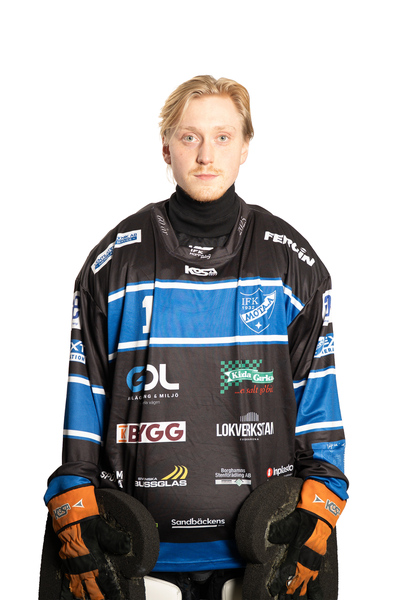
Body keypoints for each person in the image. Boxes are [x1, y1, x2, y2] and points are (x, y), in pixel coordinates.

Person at [44, 75, 348, 600]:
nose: (206, 155)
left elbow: (318, 407)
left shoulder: (291, 261)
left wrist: (322, 503)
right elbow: (84, 397)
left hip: (264, 552)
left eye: (223, 137)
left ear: (246, 146)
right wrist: (73, 503)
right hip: (133, 551)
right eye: (190, 137)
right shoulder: (114, 261)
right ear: (166, 147)